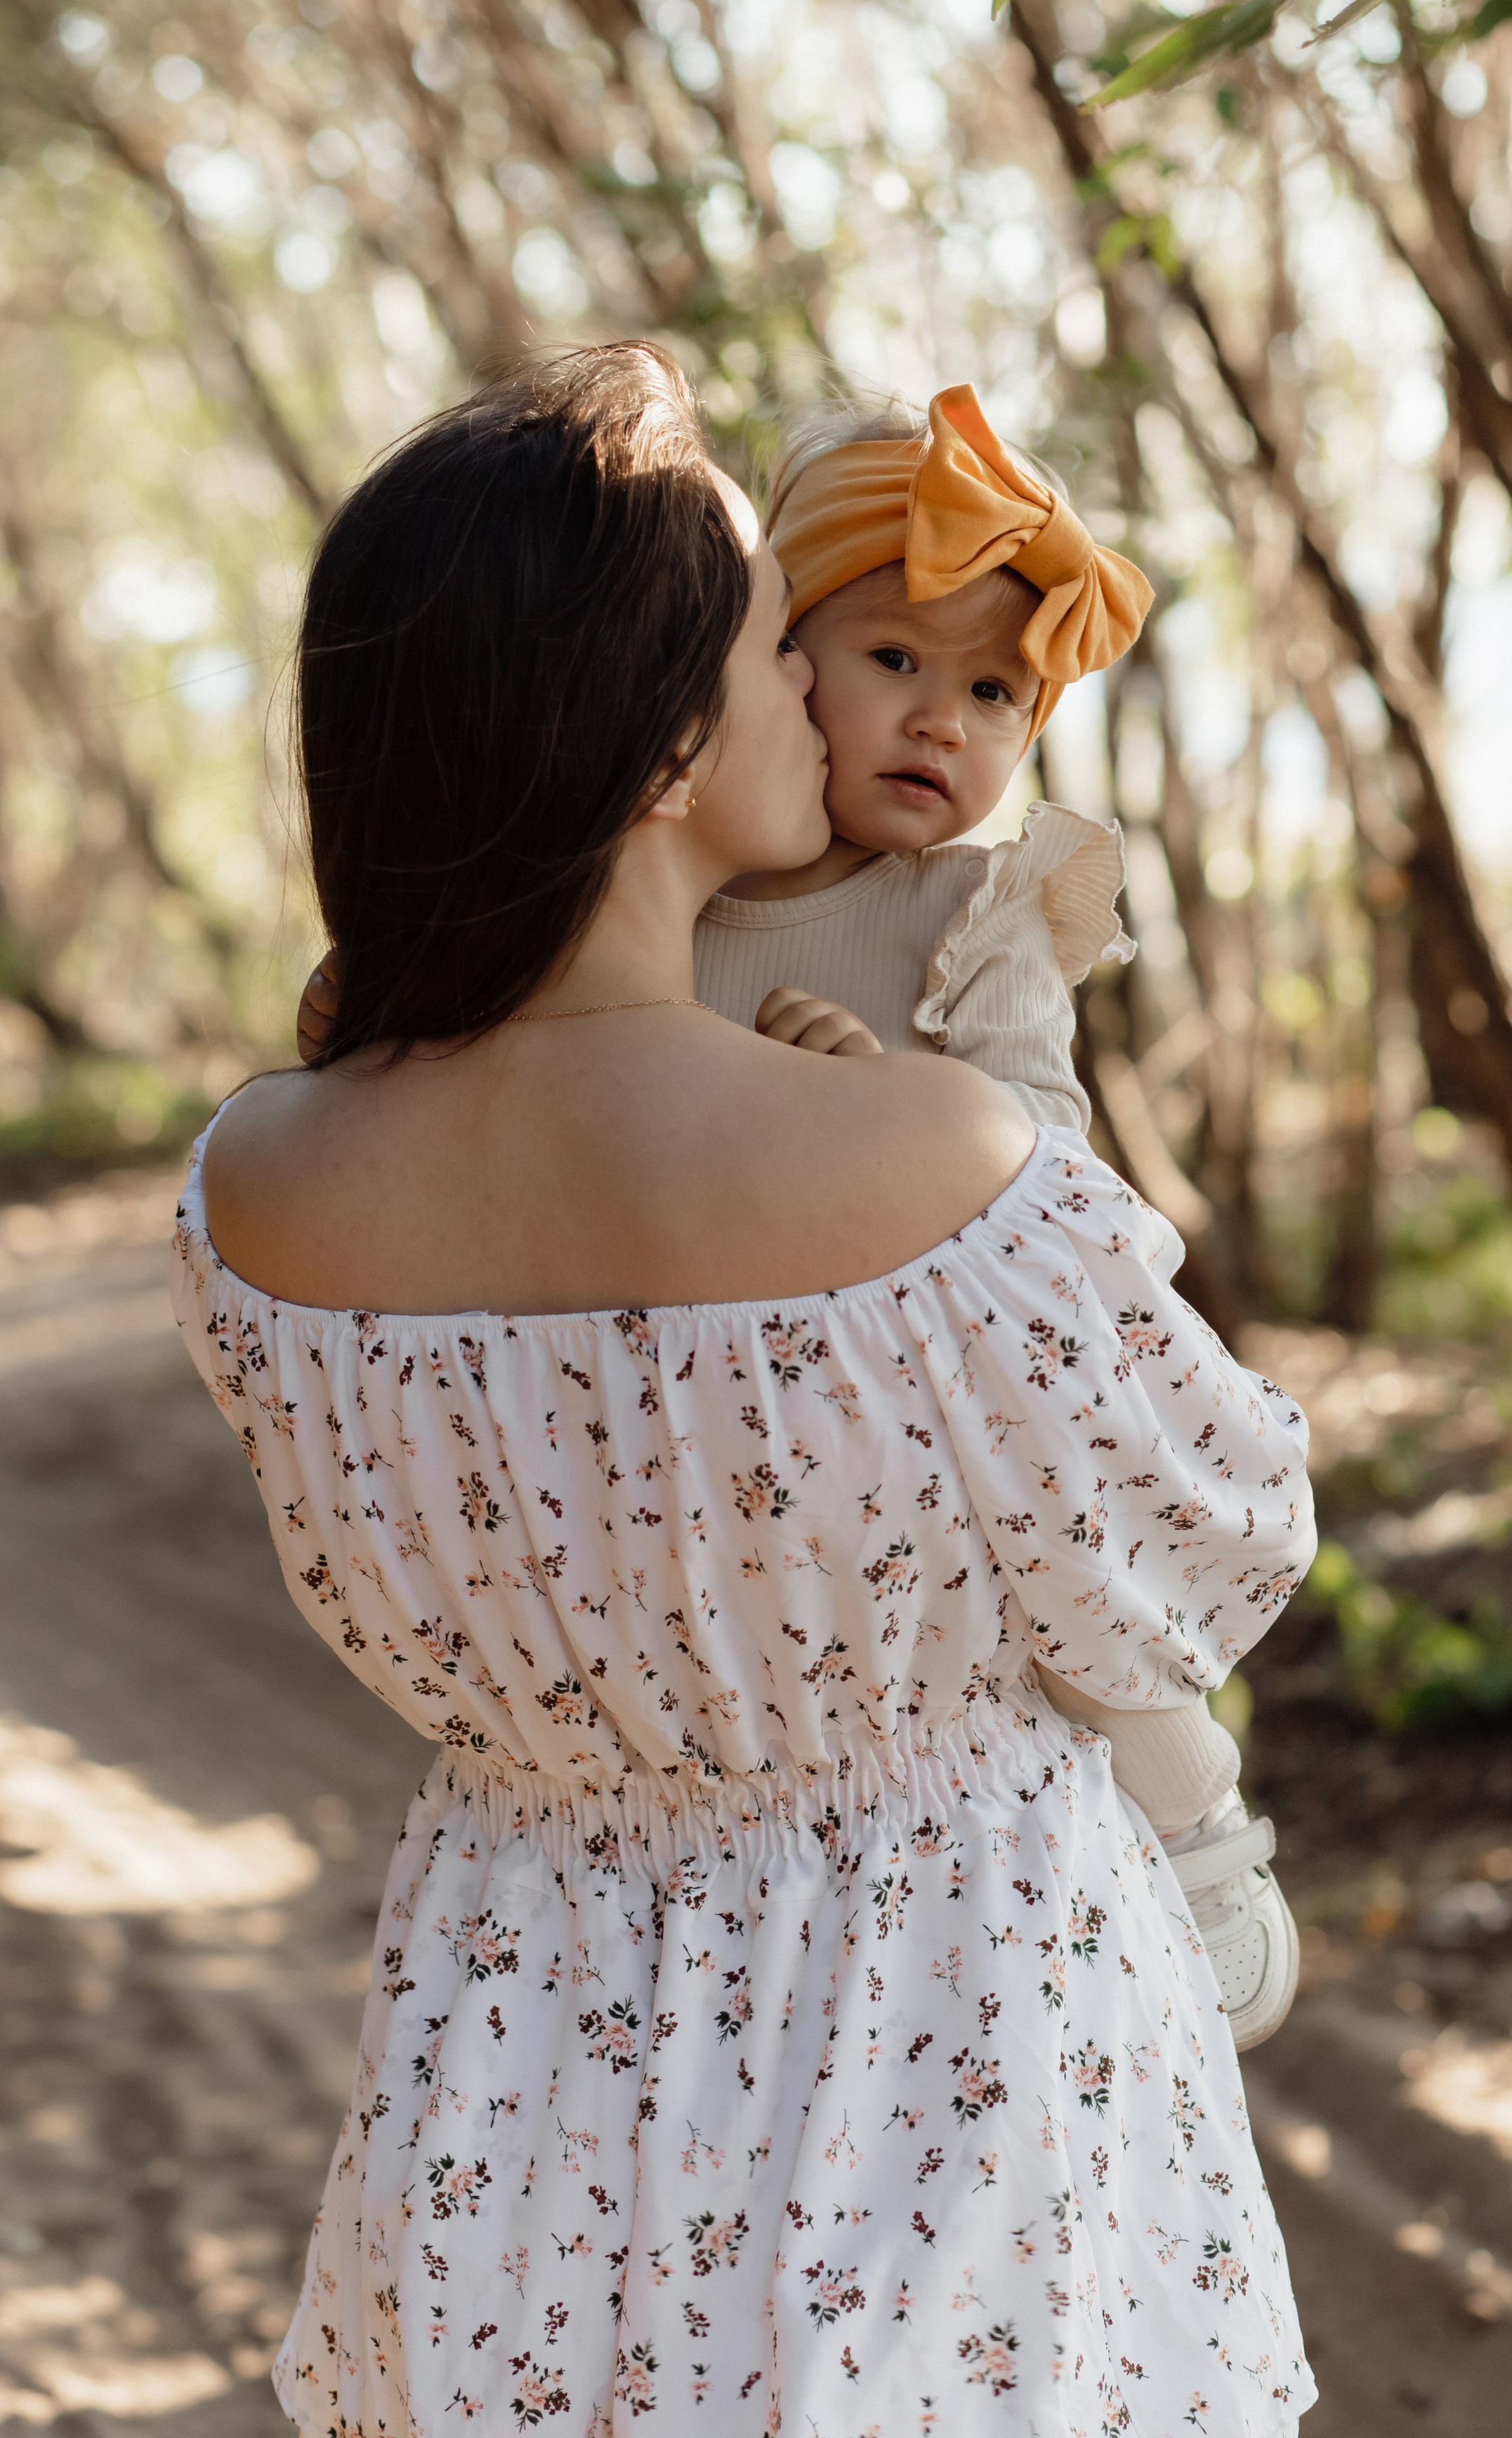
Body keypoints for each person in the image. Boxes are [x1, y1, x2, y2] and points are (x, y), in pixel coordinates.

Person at [185, 341, 1317, 2434]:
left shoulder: (252, 1196)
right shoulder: (934, 1165)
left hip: (522, 2061)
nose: (830, 693)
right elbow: (1216, 1535)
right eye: (776, 650)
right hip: (951, 2043)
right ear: (646, 739)